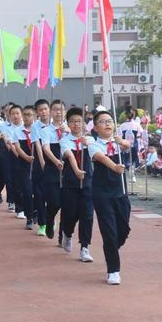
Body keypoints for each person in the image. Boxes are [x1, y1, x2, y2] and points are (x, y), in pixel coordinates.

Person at [87, 110, 131, 285]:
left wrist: (123, 143)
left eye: (110, 121)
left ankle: (112, 247)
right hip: (102, 193)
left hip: (120, 191)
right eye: (103, 122)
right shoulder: (93, 143)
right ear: (96, 127)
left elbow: (128, 144)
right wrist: (115, 167)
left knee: (123, 229)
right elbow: (101, 158)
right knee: (109, 232)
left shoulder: (118, 142)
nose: (107, 124)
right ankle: (113, 270)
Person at [59, 107, 94, 262]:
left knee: (87, 215)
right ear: (68, 123)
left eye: (79, 121)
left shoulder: (91, 140)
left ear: (84, 123)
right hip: (70, 182)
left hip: (88, 183)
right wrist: (77, 171)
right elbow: (69, 156)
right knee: (70, 214)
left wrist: (89, 144)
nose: (76, 124)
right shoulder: (65, 140)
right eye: (72, 121)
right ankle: (67, 233)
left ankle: (84, 247)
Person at [41, 100, 67, 243]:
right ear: (51, 112)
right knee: (54, 203)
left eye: (61, 110)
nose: (58, 112)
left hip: (68, 170)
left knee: (66, 205)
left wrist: (66, 133)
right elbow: (46, 148)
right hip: (52, 169)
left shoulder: (69, 129)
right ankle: (49, 219)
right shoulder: (46, 131)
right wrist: (56, 161)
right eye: (56, 109)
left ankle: (62, 236)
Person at [32, 99, 51, 237]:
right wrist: (43, 160)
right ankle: (42, 224)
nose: (43, 112)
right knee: (39, 194)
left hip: (56, 162)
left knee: (53, 195)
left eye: (45, 108)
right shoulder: (35, 126)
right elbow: (38, 144)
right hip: (41, 162)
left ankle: (51, 219)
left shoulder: (58, 124)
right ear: (37, 112)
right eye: (40, 110)